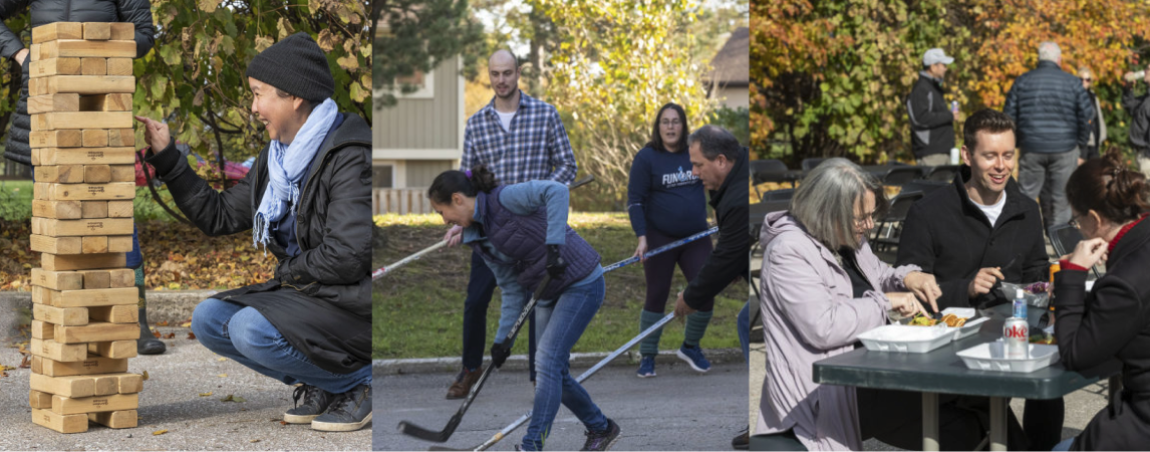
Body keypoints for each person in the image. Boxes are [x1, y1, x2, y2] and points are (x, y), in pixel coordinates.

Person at [135, 32, 372, 431]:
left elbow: (348, 254)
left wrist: (286, 275)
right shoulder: (277, 158)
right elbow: (219, 215)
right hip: (311, 293)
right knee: (209, 318)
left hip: (352, 305)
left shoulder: (349, 156)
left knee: (251, 329)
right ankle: (325, 383)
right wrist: (168, 156)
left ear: (294, 96)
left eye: (260, 94)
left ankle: (362, 383)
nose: (253, 107)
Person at [0, 0, 165, 355]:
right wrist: (21, 54)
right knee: (59, 221)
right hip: (45, 112)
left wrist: (100, 50)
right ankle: (69, 318)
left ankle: (135, 321)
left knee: (116, 217)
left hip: (97, 110)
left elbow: (145, 33)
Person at [894, 108, 1062, 450]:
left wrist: (1047, 287)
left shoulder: (1027, 209)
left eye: (1007, 155)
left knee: (1051, 381)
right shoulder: (928, 213)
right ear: (968, 156)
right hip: (951, 342)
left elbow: (1036, 272)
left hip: (1014, 332)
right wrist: (966, 287)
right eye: (990, 156)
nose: (1001, 166)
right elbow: (904, 290)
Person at [754, 158, 942, 451]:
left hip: (867, 373)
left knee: (968, 405)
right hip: (824, 393)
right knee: (948, 415)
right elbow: (823, 326)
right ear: (826, 212)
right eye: (861, 218)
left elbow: (879, 275)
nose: (868, 225)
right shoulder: (788, 252)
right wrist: (884, 304)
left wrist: (908, 277)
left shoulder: (848, 237)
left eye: (870, 216)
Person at [428, 165, 618, 451]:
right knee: (553, 371)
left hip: (581, 282)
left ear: (457, 199)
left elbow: (555, 191)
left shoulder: (505, 198)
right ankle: (601, 428)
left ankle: (532, 445)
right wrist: (503, 341)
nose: (445, 221)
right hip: (546, 292)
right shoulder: (479, 238)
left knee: (546, 361)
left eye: (441, 212)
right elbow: (512, 290)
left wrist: (554, 245)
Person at [443, 48, 578, 398]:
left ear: (519, 73)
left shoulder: (546, 115)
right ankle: (471, 367)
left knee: (538, 300)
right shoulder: (476, 123)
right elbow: (466, 180)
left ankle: (539, 374)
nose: (501, 80)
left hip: (534, 233)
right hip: (491, 234)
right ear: (489, 75)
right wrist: (462, 220)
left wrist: (542, 197)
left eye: (507, 72)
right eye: (495, 73)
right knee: (475, 301)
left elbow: (567, 166)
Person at [1051, 150, 1150, 451]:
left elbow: (1075, 354)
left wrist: (1073, 273)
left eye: (1078, 220)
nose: (1079, 228)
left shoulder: (1124, 281)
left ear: (1094, 219)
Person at [665, 125, 750, 447]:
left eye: (699, 164)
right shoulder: (736, 182)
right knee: (747, 317)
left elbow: (727, 253)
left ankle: (769, 417)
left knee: (747, 318)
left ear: (722, 161)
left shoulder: (739, 198)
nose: (693, 171)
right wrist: (737, 267)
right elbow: (737, 248)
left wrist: (691, 296)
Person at [626, 103, 714, 378]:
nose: (671, 127)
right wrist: (642, 238)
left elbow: (715, 186)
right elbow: (635, 202)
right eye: (665, 122)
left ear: (683, 125)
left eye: (676, 121)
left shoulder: (696, 152)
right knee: (657, 294)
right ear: (658, 126)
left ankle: (690, 346)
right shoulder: (647, 158)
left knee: (705, 289)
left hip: (696, 236)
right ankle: (648, 356)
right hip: (658, 238)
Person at [1003, 41, 1094, 230]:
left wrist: (1018, 142)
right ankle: (1059, 248)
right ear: (1059, 60)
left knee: (1026, 195)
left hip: (1032, 147)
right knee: (1061, 198)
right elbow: (1087, 116)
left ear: (1039, 59)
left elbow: (1008, 116)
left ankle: (1021, 239)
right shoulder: (1072, 83)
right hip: (1065, 148)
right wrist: (1081, 145)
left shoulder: (1022, 81)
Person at [906, 48, 957, 166]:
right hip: (932, 154)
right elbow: (920, 118)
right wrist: (949, 116)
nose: (946, 68)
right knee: (934, 185)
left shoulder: (933, 87)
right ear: (933, 67)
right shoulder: (921, 89)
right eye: (943, 65)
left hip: (941, 152)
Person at [1122, 68, 1150, 179]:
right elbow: (1130, 106)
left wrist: (1148, 156)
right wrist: (1128, 88)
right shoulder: (1146, 98)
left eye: (1148, 69)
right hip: (1142, 155)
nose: (1145, 71)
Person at [1079, 67, 1107, 162]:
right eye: (1081, 79)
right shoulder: (1074, 95)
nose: (1084, 82)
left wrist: (1101, 138)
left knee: (1094, 172)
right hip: (1080, 143)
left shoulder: (1093, 97)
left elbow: (1099, 117)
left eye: (1087, 79)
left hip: (1093, 140)